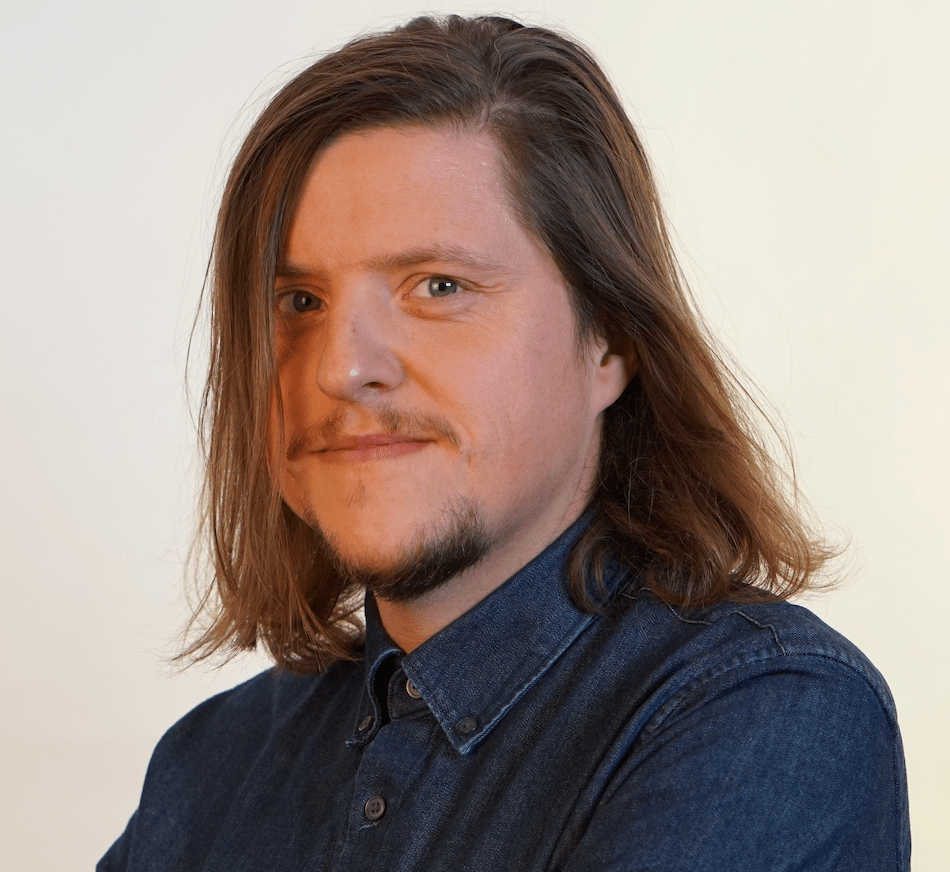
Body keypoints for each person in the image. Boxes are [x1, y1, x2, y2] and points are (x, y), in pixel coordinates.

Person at [99, 14, 910, 871]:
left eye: (438, 286)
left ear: (609, 339)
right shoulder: (210, 765)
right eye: (298, 302)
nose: (341, 368)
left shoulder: (763, 711)